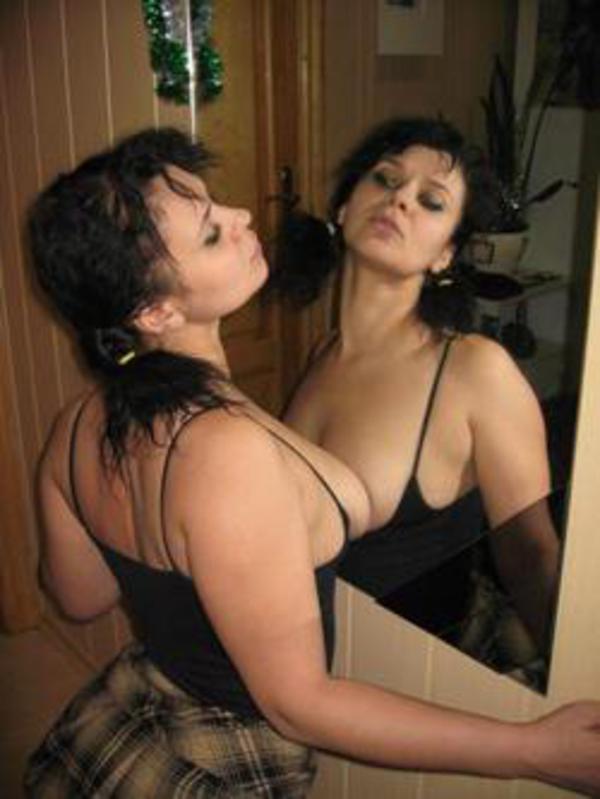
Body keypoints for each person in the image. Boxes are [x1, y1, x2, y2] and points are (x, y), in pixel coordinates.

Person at [25, 127, 600, 798]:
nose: (243, 215)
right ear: (155, 311)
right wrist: (532, 750)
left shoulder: (77, 424)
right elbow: (298, 701)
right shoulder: (255, 418)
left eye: (431, 199)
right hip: (229, 758)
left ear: (450, 250)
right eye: (210, 233)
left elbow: (80, 592)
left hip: (156, 701)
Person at [279, 117, 562, 650]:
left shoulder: (476, 370)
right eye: (385, 179)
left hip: (412, 674)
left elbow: (532, 559)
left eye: (431, 201)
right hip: (312, 657)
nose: (401, 198)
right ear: (344, 208)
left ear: (445, 255)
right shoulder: (322, 354)